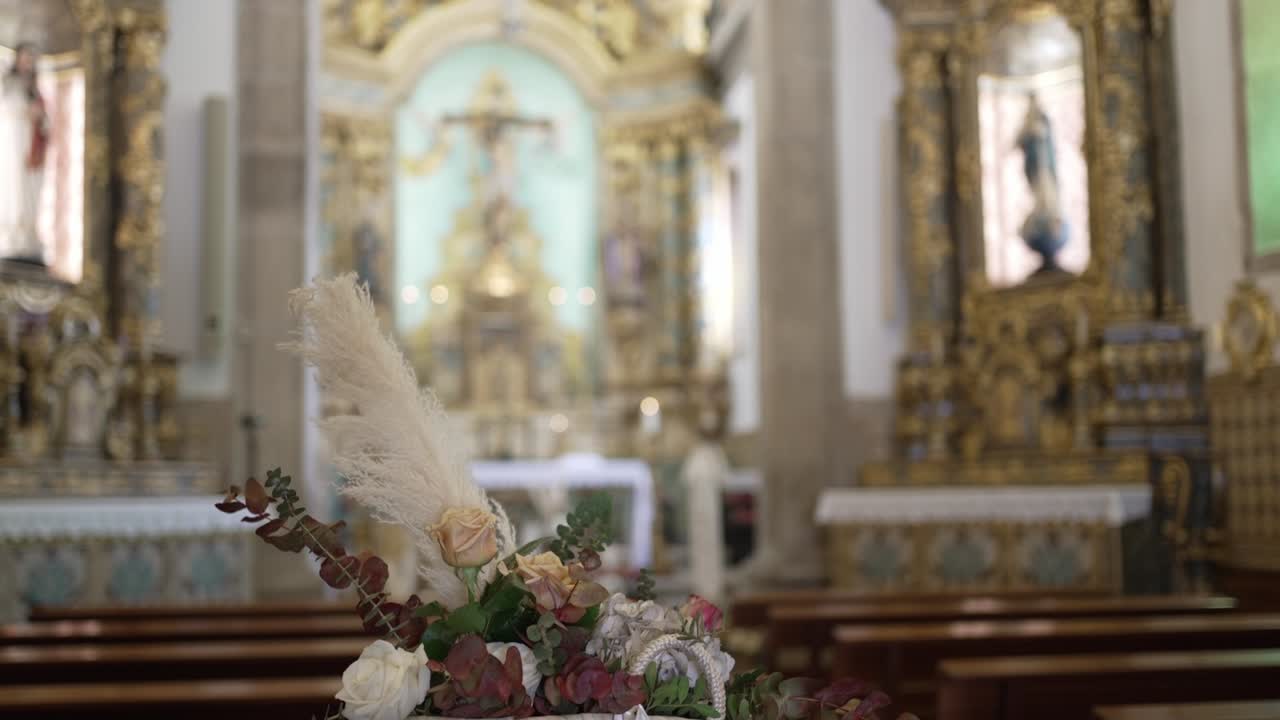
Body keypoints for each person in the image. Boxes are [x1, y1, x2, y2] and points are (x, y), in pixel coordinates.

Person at [0, 44, 48, 264]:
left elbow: (44, 119)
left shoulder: (34, 88)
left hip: (30, 145)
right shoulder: (8, 84)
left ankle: (28, 243)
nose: (27, 62)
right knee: (12, 189)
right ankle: (11, 242)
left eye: (31, 59)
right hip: (13, 142)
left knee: (30, 191)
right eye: (25, 58)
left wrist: (39, 118)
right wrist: (25, 113)